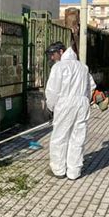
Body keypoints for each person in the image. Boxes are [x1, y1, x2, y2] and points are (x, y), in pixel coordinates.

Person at [45, 41, 96, 180]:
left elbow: (52, 91)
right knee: (77, 137)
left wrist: (51, 107)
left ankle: (58, 170)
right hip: (82, 103)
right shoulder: (83, 67)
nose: (52, 58)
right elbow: (91, 86)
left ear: (61, 52)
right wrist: (86, 101)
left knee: (60, 137)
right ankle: (74, 172)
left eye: (53, 54)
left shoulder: (59, 67)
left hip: (65, 104)